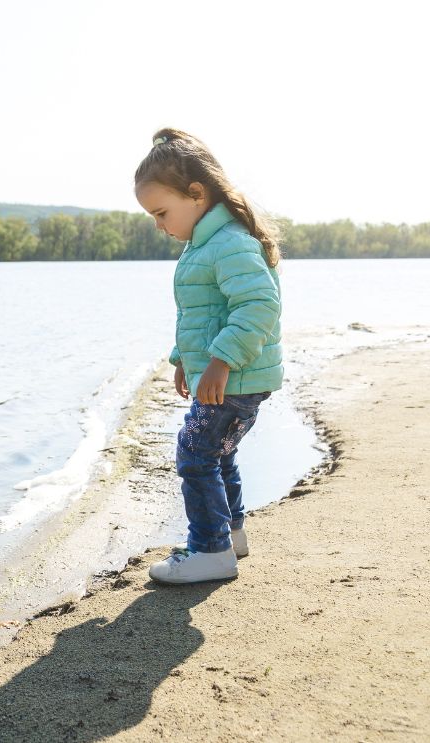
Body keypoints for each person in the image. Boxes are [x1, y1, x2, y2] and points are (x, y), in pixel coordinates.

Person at [133, 127, 283, 584]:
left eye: (162, 213)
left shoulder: (229, 242)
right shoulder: (205, 244)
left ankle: (210, 551)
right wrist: (184, 357)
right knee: (218, 453)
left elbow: (258, 306)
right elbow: (203, 312)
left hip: (234, 376)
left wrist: (219, 361)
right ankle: (230, 534)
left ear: (196, 194)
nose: (160, 226)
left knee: (194, 453)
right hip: (229, 374)